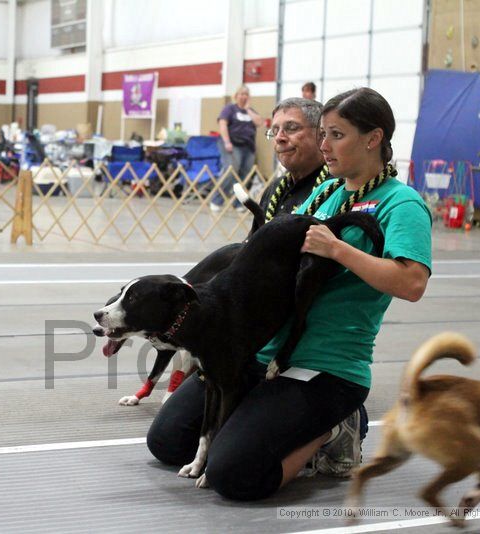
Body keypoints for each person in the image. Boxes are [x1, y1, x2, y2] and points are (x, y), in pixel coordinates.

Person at [146, 87, 432, 501]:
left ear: (373, 138)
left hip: (327, 365)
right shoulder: (326, 192)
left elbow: (412, 283)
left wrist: (338, 249)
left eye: (336, 134)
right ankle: (269, 415)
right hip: (264, 354)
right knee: (168, 442)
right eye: (323, 135)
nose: (324, 145)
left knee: (234, 475)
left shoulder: (401, 204)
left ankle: (335, 431)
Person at [259, 97, 331, 222]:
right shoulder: (275, 189)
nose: (279, 138)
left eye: (291, 128)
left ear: (320, 134)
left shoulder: (336, 187)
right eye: (275, 131)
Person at [211, 85, 264, 211]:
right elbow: (222, 124)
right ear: (236, 96)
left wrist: (248, 109)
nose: (243, 96)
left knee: (244, 174)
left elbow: (259, 123)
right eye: (241, 94)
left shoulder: (251, 111)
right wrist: (227, 142)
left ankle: (238, 203)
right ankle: (216, 200)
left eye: (246, 94)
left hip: (248, 146)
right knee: (231, 170)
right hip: (232, 144)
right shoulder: (229, 109)